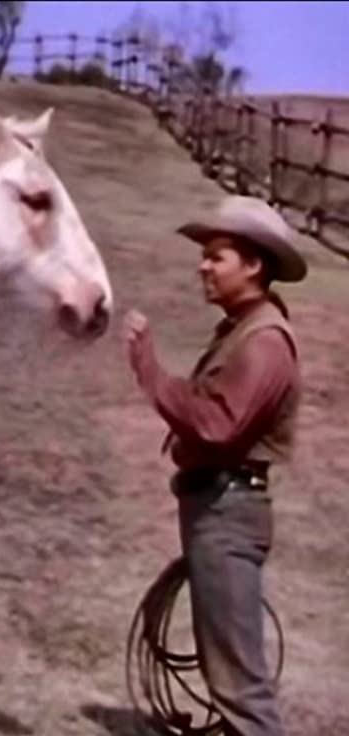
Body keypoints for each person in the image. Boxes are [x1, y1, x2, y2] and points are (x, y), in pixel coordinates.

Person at [122, 195, 308, 736]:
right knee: (225, 667)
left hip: (228, 513)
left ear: (254, 265)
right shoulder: (242, 329)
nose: (203, 265)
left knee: (239, 685)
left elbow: (218, 426)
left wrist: (150, 371)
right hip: (217, 508)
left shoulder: (266, 340)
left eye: (217, 255)